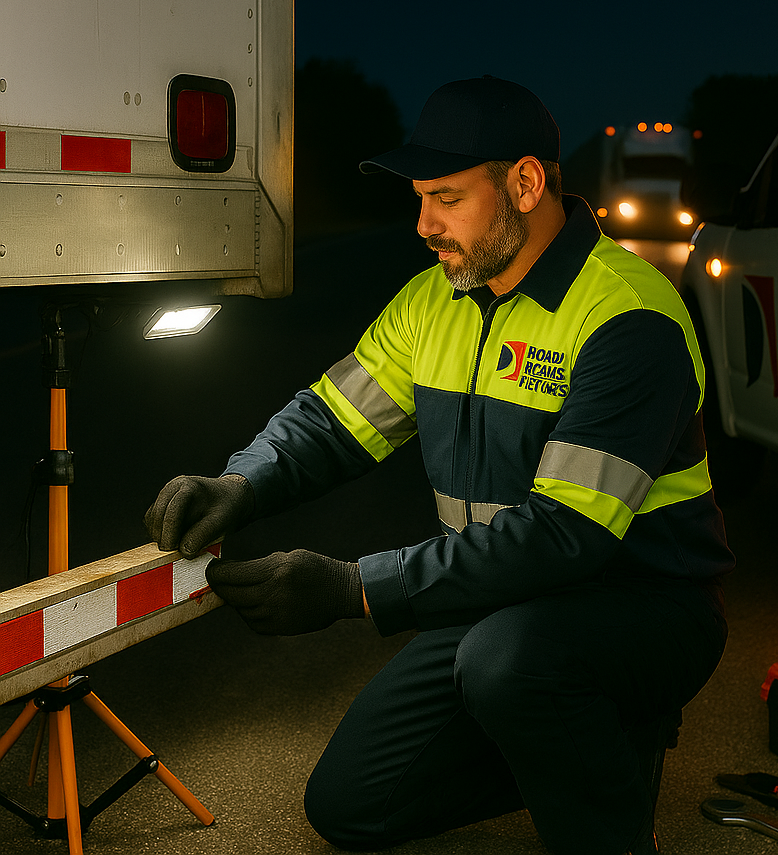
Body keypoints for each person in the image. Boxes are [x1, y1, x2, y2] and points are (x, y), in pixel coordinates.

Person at [144, 75, 734, 855]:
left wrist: (354, 589)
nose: (423, 225)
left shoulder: (628, 318)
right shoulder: (435, 300)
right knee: (351, 805)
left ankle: (608, 805)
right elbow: (329, 422)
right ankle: (579, 742)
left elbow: (564, 538)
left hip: (639, 606)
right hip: (498, 605)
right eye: (420, 198)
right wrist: (240, 483)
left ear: (525, 184)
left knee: (507, 666)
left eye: (447, 198)